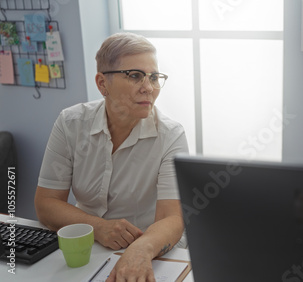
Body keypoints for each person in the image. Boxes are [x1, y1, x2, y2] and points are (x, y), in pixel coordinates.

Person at [34, 32, 188, 281]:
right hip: (89, 246)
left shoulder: (170, 135)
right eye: (135, 75)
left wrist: (142, 248)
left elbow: (172, 218)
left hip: (151, 250)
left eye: (154, 77)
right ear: (102, 83)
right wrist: (99, 227)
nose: (148, 88)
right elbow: (46, 204)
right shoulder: (70, 123)